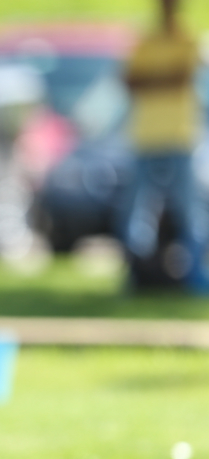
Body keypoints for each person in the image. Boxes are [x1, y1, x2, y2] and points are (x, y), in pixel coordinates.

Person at [119, 0, 209, 292]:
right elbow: (130, 81)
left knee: (190, 209)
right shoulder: (146, 43)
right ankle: (137, 275)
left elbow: (181, 76)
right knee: (136, 209)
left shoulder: (188, 41)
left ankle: (194, 275)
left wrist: (153, 78)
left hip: (181, 137)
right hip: (146, 137)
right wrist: (163, 78)